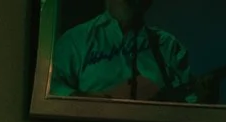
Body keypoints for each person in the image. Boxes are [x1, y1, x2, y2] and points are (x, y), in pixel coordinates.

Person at [49, 0, 194, 101]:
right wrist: (90, 101)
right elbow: (51, 88)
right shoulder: (75, 39)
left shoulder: (167, 45)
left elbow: (189, 99)